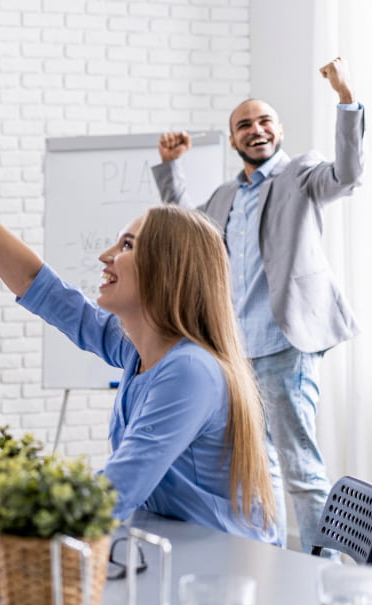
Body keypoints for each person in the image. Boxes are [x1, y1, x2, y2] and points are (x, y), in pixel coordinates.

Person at [0, 128, 277, 543]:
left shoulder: (191, 371)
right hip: (176, 547)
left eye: (126, 245)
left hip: (224, 570)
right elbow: (42, 288)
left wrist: (1, 502)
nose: (105, 256)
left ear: (167, 270)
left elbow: (114, 491)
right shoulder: (138, 351)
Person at [152, 57, 363, 553]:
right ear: (233, 141)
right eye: (244, 124)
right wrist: (170, 167)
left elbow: (349, 175)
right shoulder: (225, 196)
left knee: (301, 468)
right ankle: (271, 562)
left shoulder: (302, 175)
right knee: (257, 468)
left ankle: (321, 569)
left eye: (264, 120)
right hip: (236, 353)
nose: (256, 129)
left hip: (287, 345)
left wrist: (345, 97)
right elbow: (186, 228)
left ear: (280, 130)